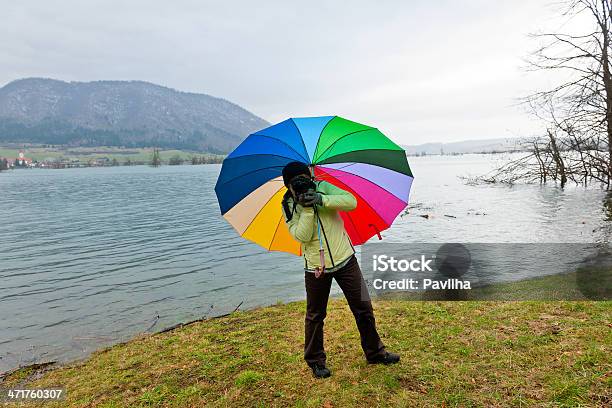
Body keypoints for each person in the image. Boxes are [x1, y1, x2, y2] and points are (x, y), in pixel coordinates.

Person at [281, 161, 400, 379]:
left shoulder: (324, 187)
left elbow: (350, 202)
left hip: (345, 258)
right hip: (316, 267)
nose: (301, 185)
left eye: (304, 180)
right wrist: (307, 209)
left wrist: (320, 199)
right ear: (288, 186)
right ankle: (315, 361)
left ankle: (375, 353)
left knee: (363, 307)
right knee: (315, 315)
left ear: (310, 177)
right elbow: (301, 236)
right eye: (295, 183)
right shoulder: (288, 205)